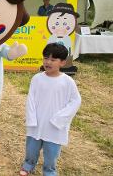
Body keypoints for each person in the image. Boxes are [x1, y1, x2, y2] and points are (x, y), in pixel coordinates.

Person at [19, 43, 81, 176]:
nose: (48, 62)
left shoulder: (68, 82)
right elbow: (30, 100)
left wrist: (59, 119)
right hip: (37, 122)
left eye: (53, 60)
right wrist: (31, 118)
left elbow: (75, 101)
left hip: (54, 126)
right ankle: (28, 165)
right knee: (31, 148)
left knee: (51, 153)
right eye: (46, 58)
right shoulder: (37, 79)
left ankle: (49, 171)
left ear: (63, 62)